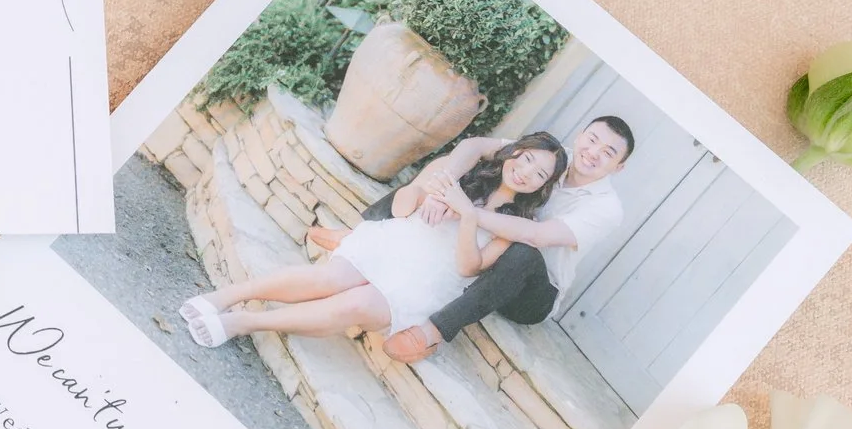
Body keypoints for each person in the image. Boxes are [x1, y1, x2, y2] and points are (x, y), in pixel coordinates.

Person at [178, 134, 567, 349]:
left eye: (539, 174)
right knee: (326, 281)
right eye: (527, 159)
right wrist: (427, 189)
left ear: (543, 187)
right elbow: (400, 209)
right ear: (514, 152)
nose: (527, 172)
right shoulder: (462, 174)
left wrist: (467, 216)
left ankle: (244, 322)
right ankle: (226, 297)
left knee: (355, 304)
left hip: (428, 282)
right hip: (394, 245)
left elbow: (469, 268)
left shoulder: (517, 222)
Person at [308, 114, 636, 363]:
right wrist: (445, 186)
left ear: (619, 168)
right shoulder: (552, 158)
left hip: (533, 291)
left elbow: (537, 235)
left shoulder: (608, 208)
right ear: (580, 135)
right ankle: (363, 235)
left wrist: (464, 209)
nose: (593, 152)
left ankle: (431, 333)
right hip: (487, 250)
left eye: (607, 152)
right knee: (447, 166)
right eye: (591, 140)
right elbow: (475, 146)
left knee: (522, 252)